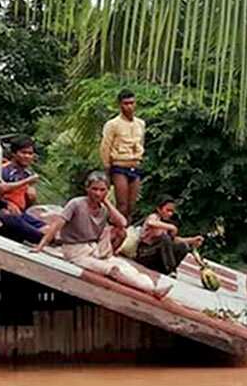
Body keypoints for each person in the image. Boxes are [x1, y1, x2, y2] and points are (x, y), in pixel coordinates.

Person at [34, 171, 172, 298]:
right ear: (87, 189)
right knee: (113, 269)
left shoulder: (104, 209)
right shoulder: (76, 204)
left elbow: (122, 223)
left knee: (127, 267)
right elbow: (57, 225)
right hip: (76, 251)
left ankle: (153, 287)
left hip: (95, 249)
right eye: (94, 189)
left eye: (102, 190)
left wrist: (106, 202)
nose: (98, 193)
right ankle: (151, 290)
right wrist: (41, 246)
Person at [100, 89, 145, 221]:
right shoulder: (113, 124)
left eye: (132, 103)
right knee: (122, 205)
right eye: (126, 103)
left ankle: (127, 230)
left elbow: (141, 142)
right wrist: (107, 167)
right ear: (120, 104)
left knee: (132, 206)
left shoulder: (140, 124)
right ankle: (115, 229)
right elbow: (105, 146)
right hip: (119, 165)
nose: (129, 106)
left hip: (135, 164)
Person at [0, 136, 47, 239]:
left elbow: (27, 201)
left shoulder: (27, 173)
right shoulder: (4, 170)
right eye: (23, 153)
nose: (27, 156)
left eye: (30, 153)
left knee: (48, 229)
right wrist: (6, 204)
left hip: (21, 213)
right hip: (4, 212)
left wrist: (31, 198)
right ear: (14, 153)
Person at [136, 198, 204, 275]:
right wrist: (171, 227)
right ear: (159, 209)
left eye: (171, 211)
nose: (170, 214)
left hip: (158, 258)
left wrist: (192, 240)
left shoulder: (167, 222)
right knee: (164, 239)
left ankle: (165, 269)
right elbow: (150, 222)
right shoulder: (154, 217)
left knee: (182, 246)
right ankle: (171, 269)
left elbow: (174, 240)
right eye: (167, 210)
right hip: (145, 254)